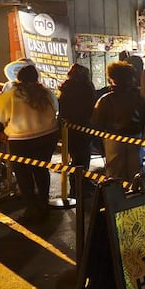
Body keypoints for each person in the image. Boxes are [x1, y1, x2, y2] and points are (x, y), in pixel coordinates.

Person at [0, 65, 59, 223]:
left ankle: (31, 208)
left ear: (18, 78)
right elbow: (55, 108)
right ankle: (43, 203)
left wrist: (5, 126)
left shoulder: (12, 94)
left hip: (21, 139)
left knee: (23, 173)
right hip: (47, 136)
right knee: (41, 169)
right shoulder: (46, 92)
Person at [91, 62, 145, 185]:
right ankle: (135, 197)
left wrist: (100, 144)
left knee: (114, 173)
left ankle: (116, 200)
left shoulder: (105, 99)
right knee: (135, 171)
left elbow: (96, 123)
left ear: (112, 78)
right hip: (135, 137)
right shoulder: (138, 98)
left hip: (113, 138)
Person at [58, 64, 96, 198]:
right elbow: (92, 106)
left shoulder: (65, 88)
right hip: (84, 126)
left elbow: (62, 108)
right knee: (83, 157)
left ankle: (76, 185)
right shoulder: (87, 87)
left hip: (69, 127)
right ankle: (80, 185)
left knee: (75, 157)